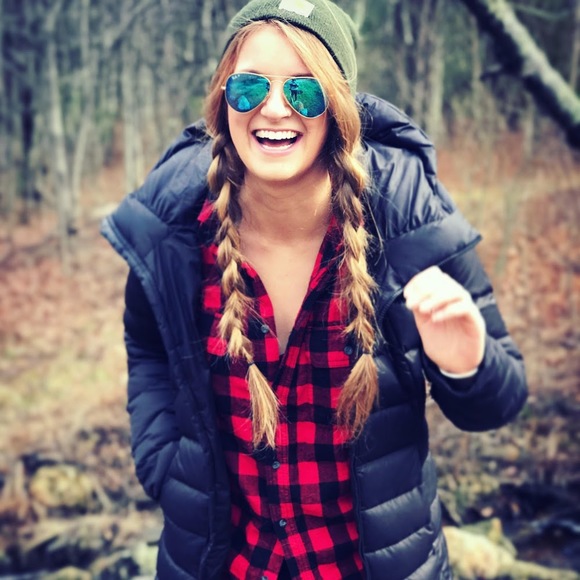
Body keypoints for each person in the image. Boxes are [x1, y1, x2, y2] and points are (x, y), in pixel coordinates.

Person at [101, 0, 528, 578]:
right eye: (249, 87)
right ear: (224, 98)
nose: (275, 108)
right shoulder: (173, 225)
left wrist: (465, 362)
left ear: (339, 106)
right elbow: (148, 344)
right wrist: (165, 463)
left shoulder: (406, 214)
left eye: (304, 91)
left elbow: (498, 402)